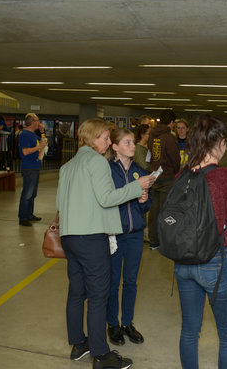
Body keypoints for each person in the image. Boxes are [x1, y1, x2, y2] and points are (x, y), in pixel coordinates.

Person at [56, 118, 155, 369]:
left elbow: (60, 205)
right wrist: (136, 186)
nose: (108, 142)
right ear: (91, 137)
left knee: (77, 292)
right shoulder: (97, 163)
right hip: (91, 238)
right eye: (105, 138)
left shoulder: (68, 166)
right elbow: (107, 198)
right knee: (99, 296)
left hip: (70, 238)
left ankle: (79, 344)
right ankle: (101, 355)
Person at [174, 114, 227, 369]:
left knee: (189, 331)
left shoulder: (183, 175)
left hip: (183, 263)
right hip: (214, 262)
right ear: (221, 142)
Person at [105, 128, 152, 347]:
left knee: (131, 281)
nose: (133, 146)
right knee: (113, 282)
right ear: (114, 146)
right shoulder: (106, 171)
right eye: (127, 142)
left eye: (133, 142)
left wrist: (144, 202)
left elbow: (148, 204)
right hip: (115, 235)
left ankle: (127, 323)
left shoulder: (140, 171)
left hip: (135, 236)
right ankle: (112, 324)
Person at [147, 109, 180, 249]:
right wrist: (175, 171)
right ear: (171, 123)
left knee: (153, 211)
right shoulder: (170, 138)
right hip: (167, 178)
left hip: (154, 177)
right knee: (166, 211)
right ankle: (164, 241)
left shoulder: (152, 136)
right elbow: (175, 159)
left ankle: (153, 240)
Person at [18, 113, 47, 226]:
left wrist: (42, 132)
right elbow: (25, 152)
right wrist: (38, 147)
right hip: (29, 167)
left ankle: (29, 214)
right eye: (38, 121)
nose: (39, 123)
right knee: (27, 193)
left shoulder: (33, 135)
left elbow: (44, 144)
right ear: (33, 122)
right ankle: (23, 217)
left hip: (35, 166)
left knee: (32, 193)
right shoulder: (25, 135)